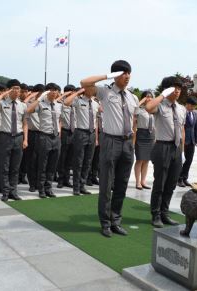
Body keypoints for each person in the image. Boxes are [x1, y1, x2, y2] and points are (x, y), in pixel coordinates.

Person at [80, 60, 139, 238]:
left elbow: (134, 121)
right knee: (106, 184)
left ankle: (116, 221)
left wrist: (133, 143)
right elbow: (84, 83)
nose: (127, 76)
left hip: (127, 143)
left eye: (129, 73)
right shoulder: (105, 92)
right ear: (115, 75)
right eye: (123, 73)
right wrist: (107, 76)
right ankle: (105, 223)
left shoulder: (132, 96)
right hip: (110, 141)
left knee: (121, 184)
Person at [145, 76, 185, 227]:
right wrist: (163, 95)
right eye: (174, 88)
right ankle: (155, 214)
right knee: (160, 183)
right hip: (162, 147)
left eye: (179, 89)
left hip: (176, 149)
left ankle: (165, 213)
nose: (177, 92)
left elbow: (181, 129)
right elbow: (148, 108)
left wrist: (182, 149)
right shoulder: (160, 105)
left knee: (171, 184)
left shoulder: (181, 109)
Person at [0, 79, 28, 201]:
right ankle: (5, 192)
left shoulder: (23, 105)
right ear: (9, 89)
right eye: (14, 88)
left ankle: (13, 191)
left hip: (19, 137)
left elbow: (25, 123)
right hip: (5, 137)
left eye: (18, 88)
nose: (17, 91)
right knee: (5, 166)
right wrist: (1, 95)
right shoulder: (2, 103)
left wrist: (25, 139)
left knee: (15, 167)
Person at [26, 83, 63, 198]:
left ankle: (48, 188)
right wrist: (40, 98)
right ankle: (41, 189)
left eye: (56, 90)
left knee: (52, 165)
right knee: (42, 164)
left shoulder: (59, 105)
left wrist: (59, 132)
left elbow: (60, 119)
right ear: (46, 92)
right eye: (51, 90)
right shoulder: (41, 104)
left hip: (55, 137)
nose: (54, 92)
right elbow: (29, 110)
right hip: (44, 136)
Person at [64, 87, 100, 195]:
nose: (93, 90)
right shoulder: (78, 101)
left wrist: (97, 137)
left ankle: (82, 185)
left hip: (92, 134)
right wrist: (78, 92)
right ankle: (76, 187)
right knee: (78, 161)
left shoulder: (95, 103)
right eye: (91, 88)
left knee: (88, 162)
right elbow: (66, 102)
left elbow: (96, 121)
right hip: (80, 133)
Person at [24, 84, 44, 192]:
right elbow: (26, 119)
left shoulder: (46, 104)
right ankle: (32, 184)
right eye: (40, 93)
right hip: (32, 134)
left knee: (41, 161)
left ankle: (39, 183)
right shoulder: (29, 104)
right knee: (31, 160)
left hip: (44, 134)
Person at [133, 91, 155, 190]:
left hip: (151, 135)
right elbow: (134, 110)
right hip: (141, 134)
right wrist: (142, 101)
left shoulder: (154, 110)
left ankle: (143, 181)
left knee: (146, 160)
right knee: (139, 159)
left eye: (151, 97)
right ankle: (137, 182)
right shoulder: (140, 110)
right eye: (147, 97)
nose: (149, 98)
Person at [56, 84, 77, 188]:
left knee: (70, 158)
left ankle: (67, 180)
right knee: (62, 157)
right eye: (71, 92)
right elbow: (56, 101)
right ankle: (60, 180)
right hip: (64, 131)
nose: (73, 94)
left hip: (74, 132)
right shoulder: (61, 103)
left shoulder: (76, 102)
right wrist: (66, 94)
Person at [178, 97, 197, 187]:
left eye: (194, 106)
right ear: (187, 104)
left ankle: (185, 178)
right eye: (192, 106)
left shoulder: (194, 114)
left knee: (189, 161)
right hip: (183, 141)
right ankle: (178, 179)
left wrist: (196, 139)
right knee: (181, 161)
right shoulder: (182, 113)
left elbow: (195, 127)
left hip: (192, 141)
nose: (193, 108)